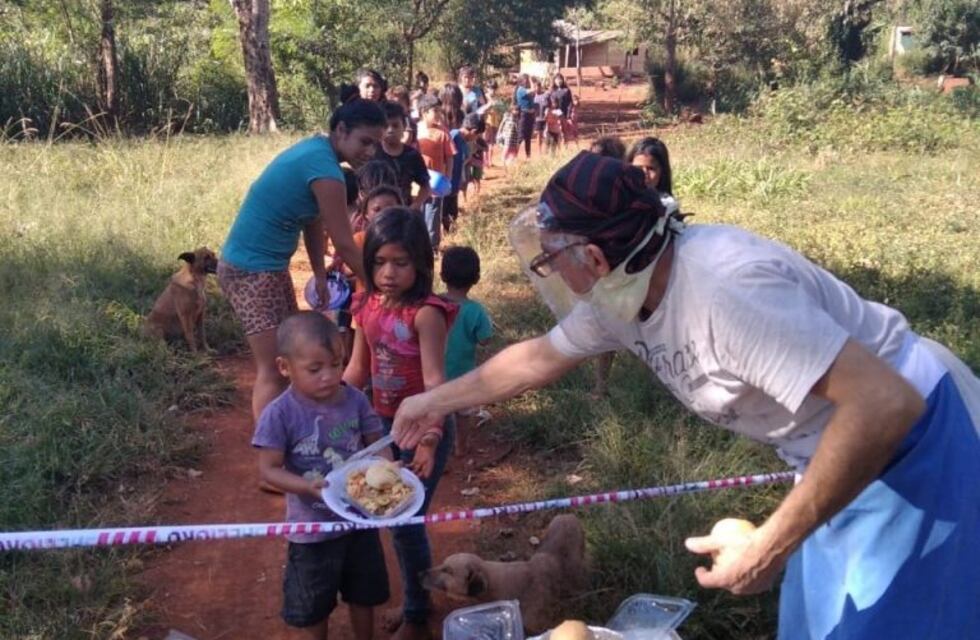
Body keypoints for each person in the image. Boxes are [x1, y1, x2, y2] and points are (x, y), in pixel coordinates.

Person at [391, 152, 980, 640]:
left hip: (915, 444)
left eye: (552, 260)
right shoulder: (624, 294)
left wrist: (770, 545)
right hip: (830, 452)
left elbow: (884, 402)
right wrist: (429, 403)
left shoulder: (725, 292)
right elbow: (533, 361)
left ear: (593, 259)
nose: (552, 275)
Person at [218, 98, 384, 423]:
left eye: (375, 145)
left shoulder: (318, 155)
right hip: (250, 270)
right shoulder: (326, 170)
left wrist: (320, 274)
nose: (370, 151)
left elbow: (312, 220)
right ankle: (271, 461)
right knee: (274, 369)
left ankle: (289, 440)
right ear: (341, 130)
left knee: (288, 357)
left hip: (268, 267)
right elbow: (345, 245)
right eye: (365, 141)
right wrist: (382, 291)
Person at [343, 207, 457, 640]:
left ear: (421, 265)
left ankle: (415, 612)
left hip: (423, 428)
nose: (388, 272)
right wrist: (324, 409)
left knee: (408, 525)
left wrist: (428, 441)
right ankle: (412, 601)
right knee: (380, 514)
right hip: (381, 427)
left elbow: (436, 386)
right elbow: (356, 371)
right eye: (379, 261)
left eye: (401, 262)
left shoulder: (425, 314)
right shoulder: (366, 304)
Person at [252, 312, 389, 640]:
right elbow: (268, 469)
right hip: (312, 530)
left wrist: (389, 469)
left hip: (360, 519)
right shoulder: (279, 414)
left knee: (364, 594)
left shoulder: (354, 399)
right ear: (285, 367)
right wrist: (305, 487)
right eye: (315, 369)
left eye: (336, 364)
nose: (328, 376)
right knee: (313, 604)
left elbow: (379, 441)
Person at [440, 246, 493, 456]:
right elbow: (486, 340)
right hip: (464, 376)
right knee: (463, 413)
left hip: (434, 374)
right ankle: (461, 446)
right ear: (476, 278)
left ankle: (438, 448)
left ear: (442, 275)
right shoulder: (476, 310)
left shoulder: (434, 304)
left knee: (438, 412)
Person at [586, 136, 628, 398]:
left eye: (597, 157)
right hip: (602, 270)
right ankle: (601, 386)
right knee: (604, 327)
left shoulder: (626, 190)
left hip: (624, 269)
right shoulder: (590, 189)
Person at [416, 95, 456, 251]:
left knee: (432, 212)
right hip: (416, 182)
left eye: (440, 111)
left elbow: (450, 157)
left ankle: (432, 246)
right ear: (424, 112)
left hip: (437, 182)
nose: (439, 114)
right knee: (417, 210)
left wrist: (449, 178)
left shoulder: (443, 133)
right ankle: (418, 245)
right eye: (435, 111)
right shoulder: (415, 130)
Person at [378, 101, 431, 210]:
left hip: (404, 214)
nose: (390, 130)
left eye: (395, 125)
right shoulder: (371, 153)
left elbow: (426, 186)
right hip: (377, 216)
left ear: (404, 127)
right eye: (386, 126)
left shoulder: (412, 155)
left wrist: (415, 206)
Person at [444, 113, 484, 233]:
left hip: (454, 184)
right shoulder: (453, 137)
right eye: (477, 135)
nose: (475, 139)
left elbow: (465, 159)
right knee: (446, 214)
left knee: (453, 214)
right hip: (448, 184)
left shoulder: (462, 141)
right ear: (473, 131)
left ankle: (451, 235)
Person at [513, 74, 536, 160]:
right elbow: (533, 89)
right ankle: (515, 156)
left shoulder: (526, 90)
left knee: (528, 137)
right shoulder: (521, 90)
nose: (526, 82)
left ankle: (528, 156)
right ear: (521, 81)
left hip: (530, 115)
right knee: (520, 136)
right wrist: (531, 79)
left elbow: (533, 91)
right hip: (524, 115)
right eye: (525, 80)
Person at [482, 80, 505, 167]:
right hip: (486, 122)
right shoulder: (484, 97)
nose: (492, 91)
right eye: (491, 88)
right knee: (485, 142)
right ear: (487, 88)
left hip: (494, 122)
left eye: (494, 89)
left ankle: (490, 161)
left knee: (491, 142)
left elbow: (502, 109)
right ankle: (485, 161)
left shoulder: (497, 98)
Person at [550, 73, 573, 146]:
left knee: (564, 131)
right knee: (555, 132)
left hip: (564, 114)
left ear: (563, 80)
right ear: (554, 81)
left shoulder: (566, 91)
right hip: (554, 115)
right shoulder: (552, 91)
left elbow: (570, 103)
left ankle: (565, 147)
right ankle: (556, 148)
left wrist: (568, 116)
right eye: (557, 79)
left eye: (560, 79)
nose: (559, 81)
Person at [496, 104, 521, 169]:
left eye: (517, 110)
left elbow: (518, 129)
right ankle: (504, 166)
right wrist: (499, 133)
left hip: (514, 138)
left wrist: (518, 139)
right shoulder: (507, 116)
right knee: (506, 150)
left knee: (514, 152)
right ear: (511, 110)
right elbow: (502, 124)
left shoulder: (517, 118)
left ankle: (510, 165)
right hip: (507, 137)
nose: (516, 111)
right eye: (515, 110)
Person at [532, 78, 551, 156]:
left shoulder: (546, 95)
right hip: (537, 118)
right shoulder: (532, 96)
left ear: (540, 87)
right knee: (539, 134)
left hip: (546, 117)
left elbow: (550, 104)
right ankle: (539, 151)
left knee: (547, 134)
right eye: (535, 87)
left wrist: (548, 111)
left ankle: (547, 149)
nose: (536, 88)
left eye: (538, 87)